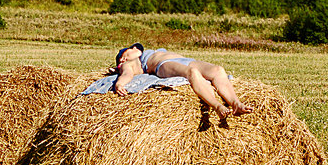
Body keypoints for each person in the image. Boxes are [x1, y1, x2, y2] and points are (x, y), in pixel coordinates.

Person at [109, 43, 254, 119]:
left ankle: (235, 103)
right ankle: (217, 106)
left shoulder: (152, 51)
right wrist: (120, 83)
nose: (125, 56)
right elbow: (127, 73)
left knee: (218, 70)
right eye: (124, 54)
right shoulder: (132, 62)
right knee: (192, 73)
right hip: (164, 66)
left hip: (185, 60)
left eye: (128, 52)